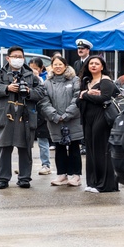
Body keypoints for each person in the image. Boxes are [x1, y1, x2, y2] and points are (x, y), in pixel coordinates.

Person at [0, 46, 43, 189]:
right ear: (8, 58)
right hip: (5, 114)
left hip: (25, 115)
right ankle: (3, 178)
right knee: (4, 147)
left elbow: (41, 92)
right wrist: (7, 88)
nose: (17, 59)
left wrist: (29, 91)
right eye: (15, 56)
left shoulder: (31, 75)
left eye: (20, 57)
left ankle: (24, 178)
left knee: (25, 148)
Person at [38, 54, 83, 187]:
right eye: (55, 64)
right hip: (55, 121)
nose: (58, 67)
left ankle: (76, 175)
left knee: (75, 147)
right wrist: (54, 116)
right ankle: (61, 175)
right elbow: (43, 102)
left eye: (60, 64)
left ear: (65, 66)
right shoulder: (47, 83)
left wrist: (67, 114)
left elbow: (77, 98)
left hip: (73, 120)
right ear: (51, 66)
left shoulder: (75, 80)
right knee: (60, 148)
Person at [76, 55, 118, 193]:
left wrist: (85, 95)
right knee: (90, 150)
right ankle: (93, 182)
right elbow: (78, 101)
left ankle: (105, 184)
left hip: (102, 117)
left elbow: (103, 98)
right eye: (91, 63)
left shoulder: (106, 81)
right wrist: (87, 94)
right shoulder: (86, 81)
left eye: (96, 63)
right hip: (87, 118)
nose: (93, 65)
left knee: (102, 150)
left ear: (102, 66)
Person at [28, 57, 52, 176]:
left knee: (43, 141)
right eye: (30, 68)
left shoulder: (46, 79)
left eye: (35, 69)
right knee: (26, 141)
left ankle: (46, 165)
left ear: (41, 68)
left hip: (42, 115)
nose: (33, 71)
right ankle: (26, 165)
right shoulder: (24, 78)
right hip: (27, 113)